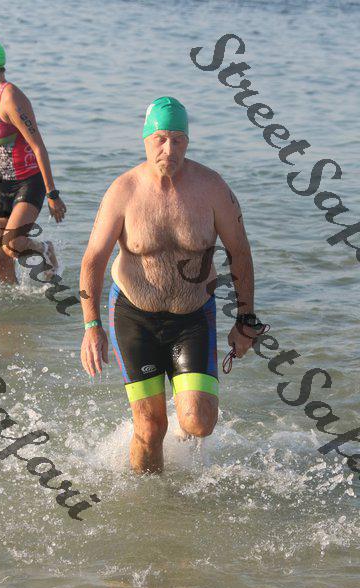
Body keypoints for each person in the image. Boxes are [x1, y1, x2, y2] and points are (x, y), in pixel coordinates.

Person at [80, 96, 262, 474]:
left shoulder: (212, 189)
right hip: (134, 317)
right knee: (150, 428)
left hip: (192, 317)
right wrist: (91, 326)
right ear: (146, 140)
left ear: (188, 142)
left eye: (178, 140)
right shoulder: (124, 191)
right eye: (160, 139)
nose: (169, 149)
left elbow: (240, 253)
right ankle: (152, 501)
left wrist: (246, 320)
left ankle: (181, 424)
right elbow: (92, 261)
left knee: (199, 422)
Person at [0, 37, 66, 284]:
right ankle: (10, 305)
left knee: (13, 243)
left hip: (27, 182)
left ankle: (44, 249)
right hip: (0, 185)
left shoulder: (11, 98)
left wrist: (52, 194)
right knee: (1, 258)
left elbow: (38, 147)